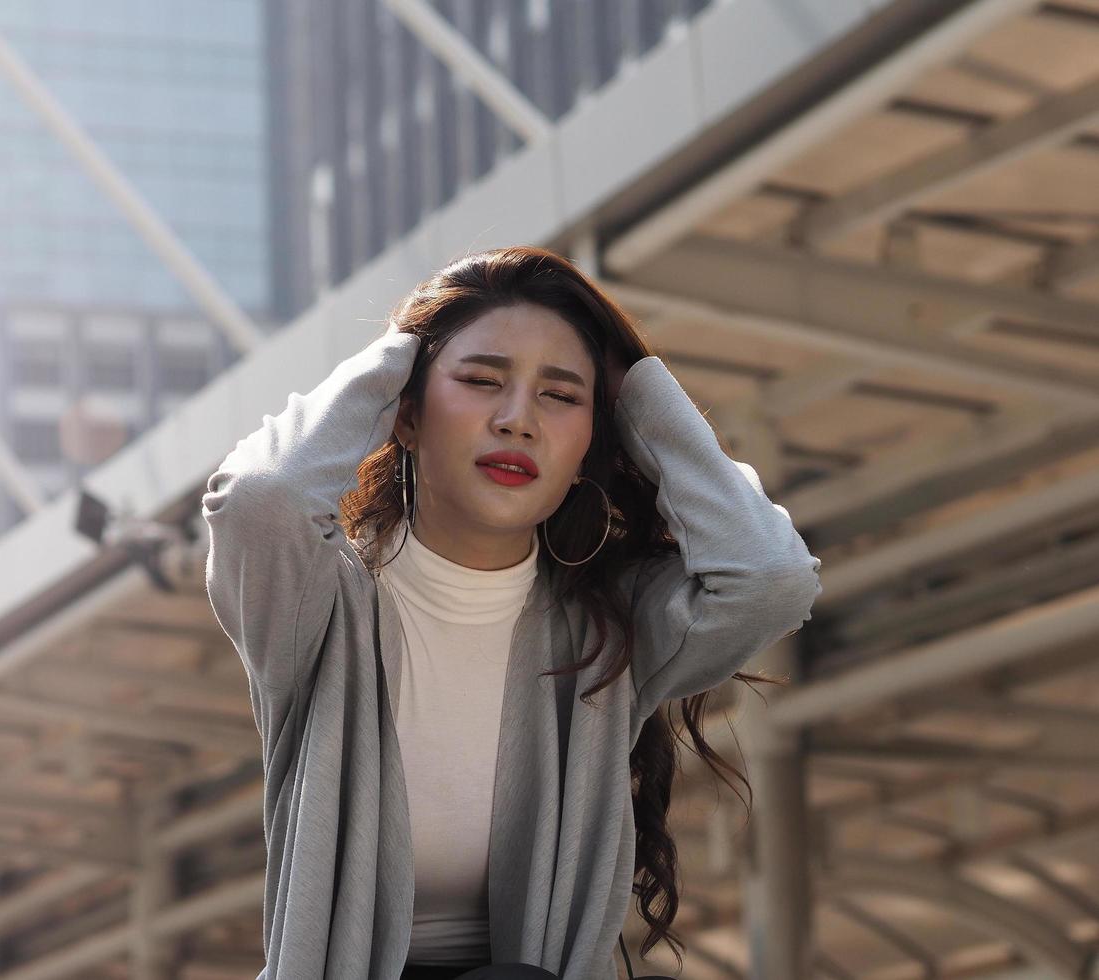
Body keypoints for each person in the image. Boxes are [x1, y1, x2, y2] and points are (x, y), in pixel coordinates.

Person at [200, 246, 822, 980]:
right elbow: (257, 501)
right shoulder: (322, 605)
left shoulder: (609, 631)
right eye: (480, 380)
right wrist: (401, 350)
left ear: (595, 437)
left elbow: (772, 580)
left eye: (561, 397)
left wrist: (641, 395)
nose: (517, 419)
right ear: (404, 410)